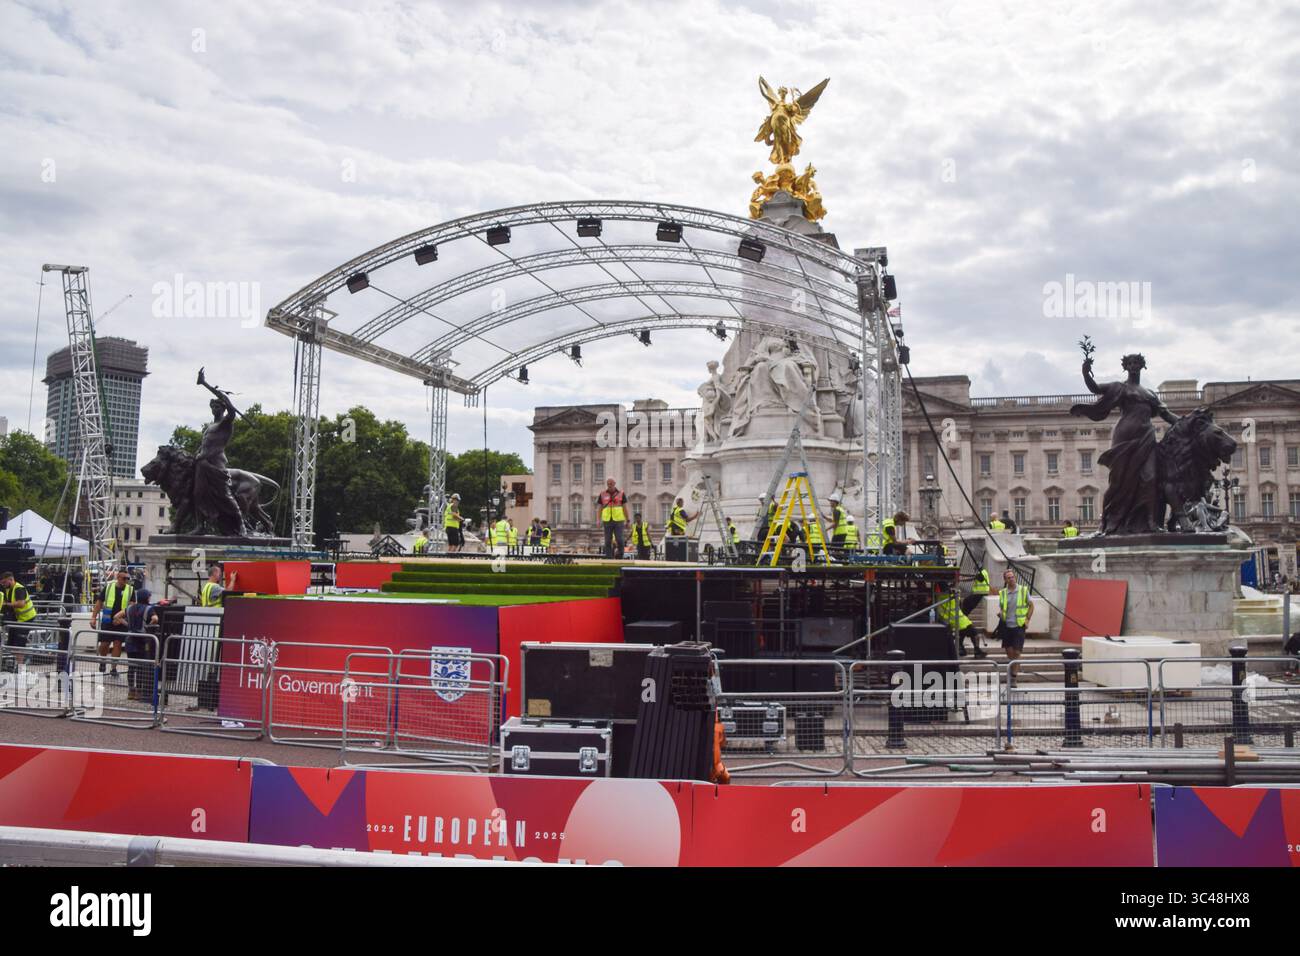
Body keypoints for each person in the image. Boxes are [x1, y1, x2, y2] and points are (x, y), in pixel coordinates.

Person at [93, 568, 134, 676]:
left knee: (117, 644)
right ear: (118, 578)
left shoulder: (130, 590)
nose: (126, 580)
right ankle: (102, 661)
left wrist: (121, 619)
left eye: (127, 578)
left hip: (121, 621)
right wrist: (93, 617)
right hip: (107, 621)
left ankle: (113, 668)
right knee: (104, 644)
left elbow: (131, 606)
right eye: (124, 578)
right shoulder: (108, 587)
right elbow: (99, 603)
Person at [124, 589, 162, 703]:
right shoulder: (149, 609)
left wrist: (129, 626)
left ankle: (131, 691)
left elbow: (117, 617)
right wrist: (149, 627)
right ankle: (139, 692)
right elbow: (155, 619)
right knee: (141, 666)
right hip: (142, 640)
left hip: (130, 639)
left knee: (131, 666)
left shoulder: (130, 608)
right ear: (147, 597)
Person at [997, 569, 1033, 681]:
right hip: (1006, 626)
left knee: (1017, 651)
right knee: (1009, 653)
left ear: (1015, 577)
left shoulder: (1023, 590)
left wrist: (1027, 619)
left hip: (1019, 625)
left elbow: (1031, 606)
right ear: (1005, 580)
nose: (1011, 579)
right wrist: (1001, 614)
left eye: (1012, 577)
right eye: (1008, 577)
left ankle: (1013, 676)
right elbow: (1003, 608)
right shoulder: (1002, 593)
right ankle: (1015, 666)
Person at [0, 569, 38, 647]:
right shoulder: (8, 589)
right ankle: (14, 657)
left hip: (27, 618)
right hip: (19, 619)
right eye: (1, 583)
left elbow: (21, 604)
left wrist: (6, 604)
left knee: (19, 644)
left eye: (4, 582)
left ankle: (19, 658)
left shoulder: (19, 588)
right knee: (11, 642)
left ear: (11, 579)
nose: (3, 585)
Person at [597, 478, 628, 559]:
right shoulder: (602, 494)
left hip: (619, 520)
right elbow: (600, 508)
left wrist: (628, 520)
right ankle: (609, 558)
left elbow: (625, 508)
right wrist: (598, 519)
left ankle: (620, 555)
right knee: (607, 541)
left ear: (614, 483)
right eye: (608, 484)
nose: (609, 485)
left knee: (620, 540)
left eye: (611, 483)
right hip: (607, 520)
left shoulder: (621, 493)